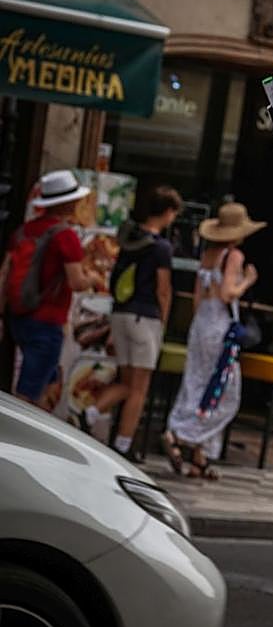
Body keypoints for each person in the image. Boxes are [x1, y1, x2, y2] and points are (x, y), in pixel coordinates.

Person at [163, 202, 263, 479]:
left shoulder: (208, 254)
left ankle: (199, 455)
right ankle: (180, 435)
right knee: (226, 393)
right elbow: (228, 293)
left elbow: (198, 297)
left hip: (201, 324)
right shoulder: (234, 256)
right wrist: (248, 281)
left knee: (196, 383)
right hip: (219, 326)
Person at [84, 185, 182, 457]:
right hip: (145, 317)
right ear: (168, 212)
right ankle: (123, 445)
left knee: (127, 381)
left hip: (121, 313)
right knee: (140, 387)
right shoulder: (161, 247)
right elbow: (163, 289)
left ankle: (90, 412)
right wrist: (163, 320)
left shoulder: (128, 239)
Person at [0, 170, 104, 407]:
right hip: (47, 321)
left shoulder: (23, 231)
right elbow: (76, 281)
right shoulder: (66, 236)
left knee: (47, 382)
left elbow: (4, 274)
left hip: (18, 317)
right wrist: (94, 278)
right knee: (27, 397)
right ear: (70, 203)